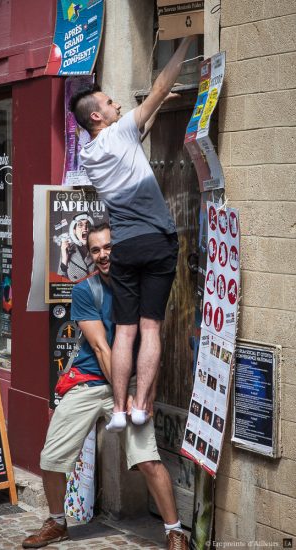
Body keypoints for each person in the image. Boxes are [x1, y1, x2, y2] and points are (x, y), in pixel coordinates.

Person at [22, 224, 189, 550]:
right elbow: (101, 349)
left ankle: (175, 532)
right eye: (95, 250)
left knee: (148, 459)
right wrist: (123, 396)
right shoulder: (85, 290)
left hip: (130, 384)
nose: (102, 255)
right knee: (50, 458)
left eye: (108, 247)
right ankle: (57, 523)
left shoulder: (142, 288)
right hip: (90, 381)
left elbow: (152, 341)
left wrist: (146, 393)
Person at [70, 36, 196, 431]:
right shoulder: (121, 132)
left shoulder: (89, 156)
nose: (118, 105)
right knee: (150, 327)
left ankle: (121, 411)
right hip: (157, 239)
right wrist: (187, 40)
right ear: (97, 116)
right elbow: (158, 92)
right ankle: (143, 405)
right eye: (110, 103)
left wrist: (146, 114)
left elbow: (136, 132)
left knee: (124, 330)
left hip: (124, 245)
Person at [57, 213, 94, 281]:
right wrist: (65, 259)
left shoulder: (98, 247)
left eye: (87, 224)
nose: (85, 228)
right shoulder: (67, 249)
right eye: (80, 225)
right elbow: (60, 281)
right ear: (74, 231)